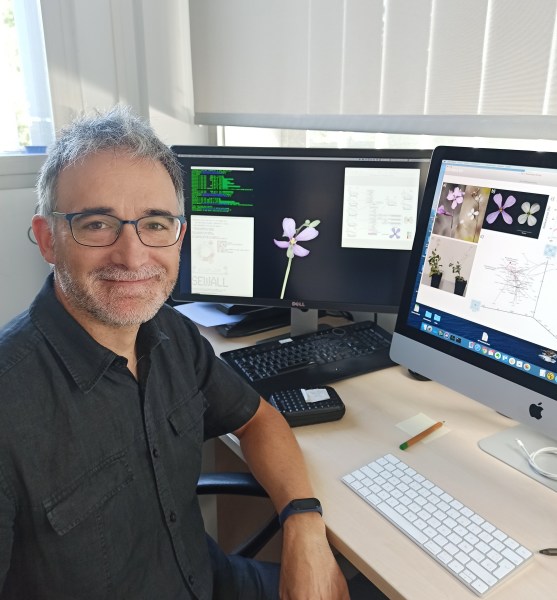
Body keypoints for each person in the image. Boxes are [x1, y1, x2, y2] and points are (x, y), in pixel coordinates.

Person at [0, 106, 350, 599]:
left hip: (209, 579)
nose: (133, 255)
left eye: (156, 224)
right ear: (47, 239)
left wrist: (302, 523)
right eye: (98, 224)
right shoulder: (10, 406)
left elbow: (257, 420)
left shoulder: (169, 333)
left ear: (180, 237)